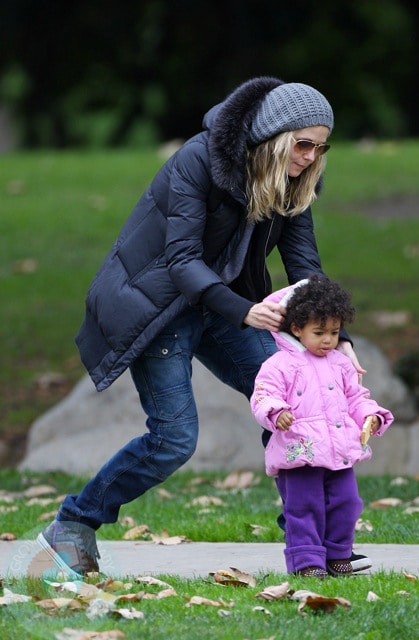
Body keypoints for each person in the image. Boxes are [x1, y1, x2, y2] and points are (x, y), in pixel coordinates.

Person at [38, 76, 369, 575]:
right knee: (173, 440)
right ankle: (74, 523)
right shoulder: (199, 159)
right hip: (162, 308)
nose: (310, 157)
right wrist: (244, 310)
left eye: (320, 148)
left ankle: (309, 539)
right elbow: (182, 259)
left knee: (296, 407)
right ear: (274, 138)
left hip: (224, 306)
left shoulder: (297, 179)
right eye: (302, 145)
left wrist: (335, 337)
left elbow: (303, 262)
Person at [251, 276, 394, 578]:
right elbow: (263, 395)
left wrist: (372, 415)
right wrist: (276, 412)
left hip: (338, 451)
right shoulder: (279, 365)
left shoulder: (341, 364)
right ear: (296, 329)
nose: (328, 340)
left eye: (333, 331)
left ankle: (338, 554)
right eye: (319, 332)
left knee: (347, 502)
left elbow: (357, 397)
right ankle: (307, 562)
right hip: (300, 451)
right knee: (304, 507)